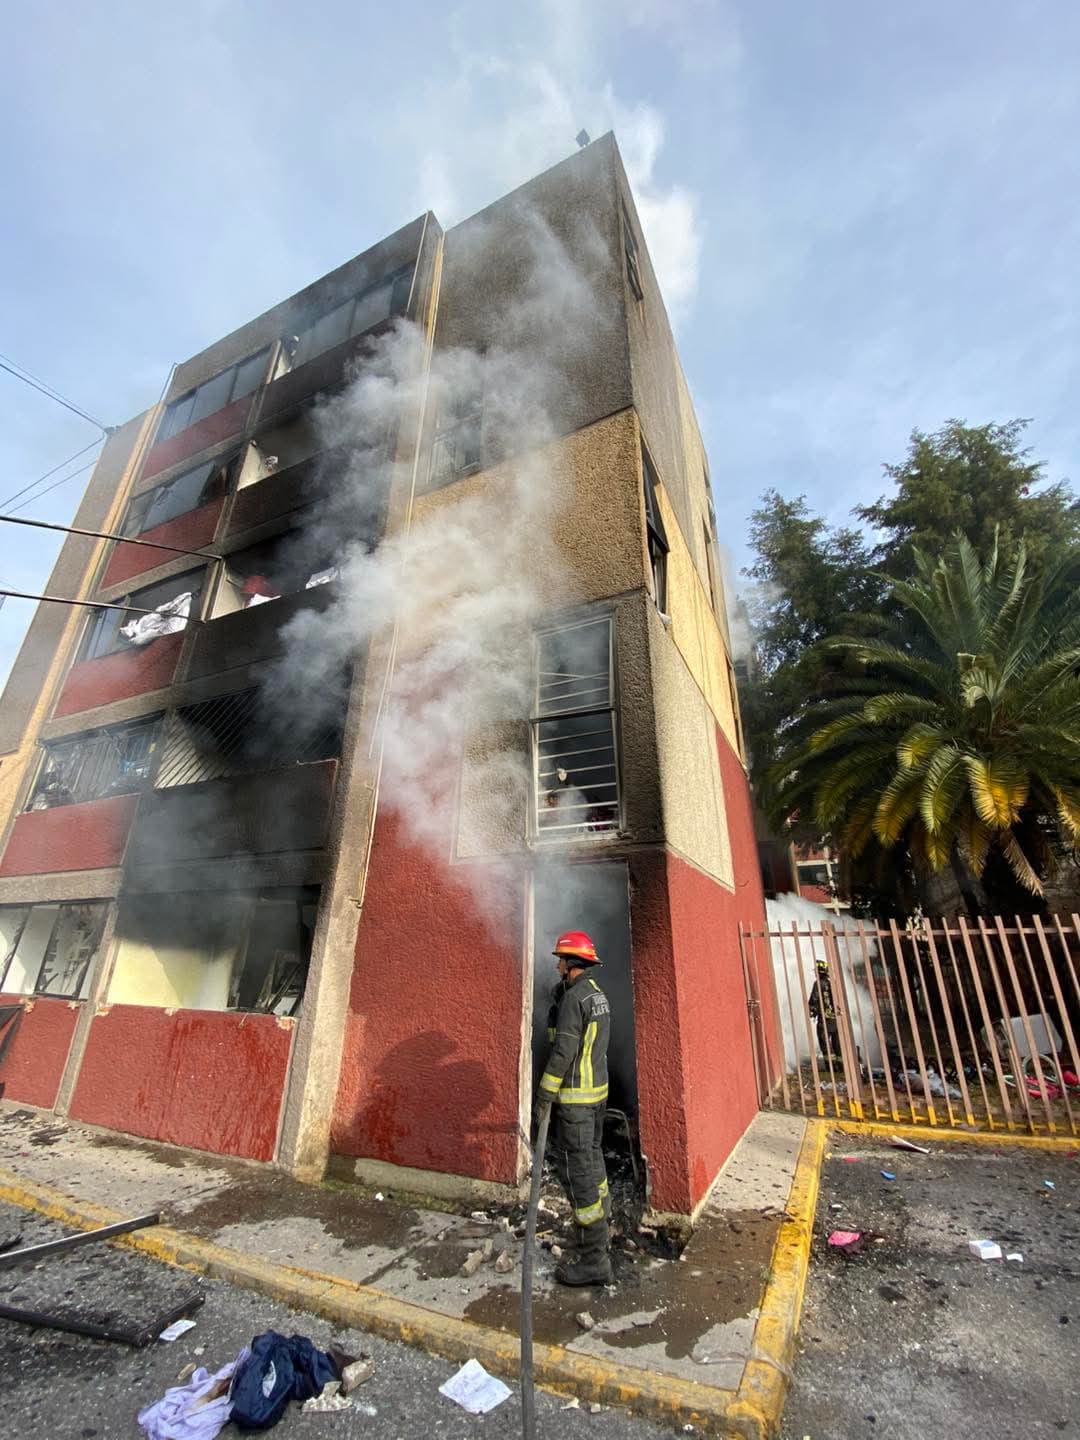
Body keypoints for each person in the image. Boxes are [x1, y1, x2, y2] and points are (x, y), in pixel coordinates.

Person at [535, 929, 613, 1287]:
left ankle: (593, 1259)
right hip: (597, 1099)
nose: (557, 967)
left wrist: (544, 1095)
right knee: (594, 1170)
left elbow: (564, 1052)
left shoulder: (573, 1001)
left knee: (579, 1176)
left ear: (571, 964)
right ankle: (598, 1235)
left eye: (560, 961)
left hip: (576, 1104)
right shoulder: (596, 996)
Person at [808, 956, 840, 1062]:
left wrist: (812, 1010)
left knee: (824, 1041)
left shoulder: (818, 984)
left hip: (825, 1019)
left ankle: (831, 1065)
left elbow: (814, 999)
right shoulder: (833, 983)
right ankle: (841, 1065)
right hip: (836, 1019)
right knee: (837, 1043)